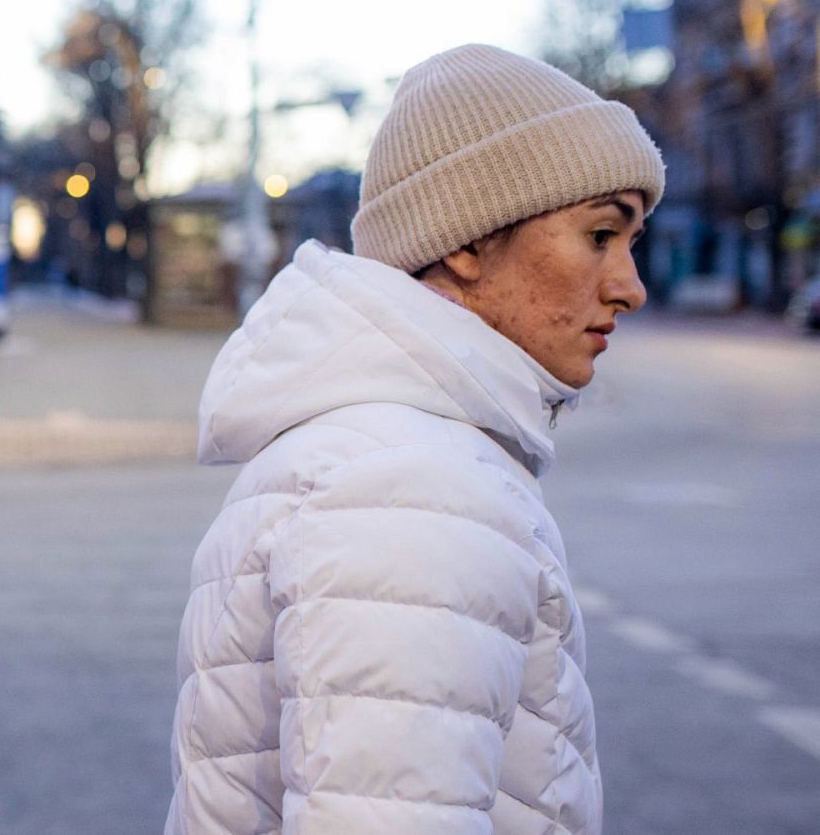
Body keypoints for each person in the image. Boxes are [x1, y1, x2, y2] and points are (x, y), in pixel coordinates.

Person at [165, 44, 664, 834]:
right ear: (465, 241)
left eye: (631, 243)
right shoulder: (412, 484)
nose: (629, 287)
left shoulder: (378, 447)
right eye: (601, 234)